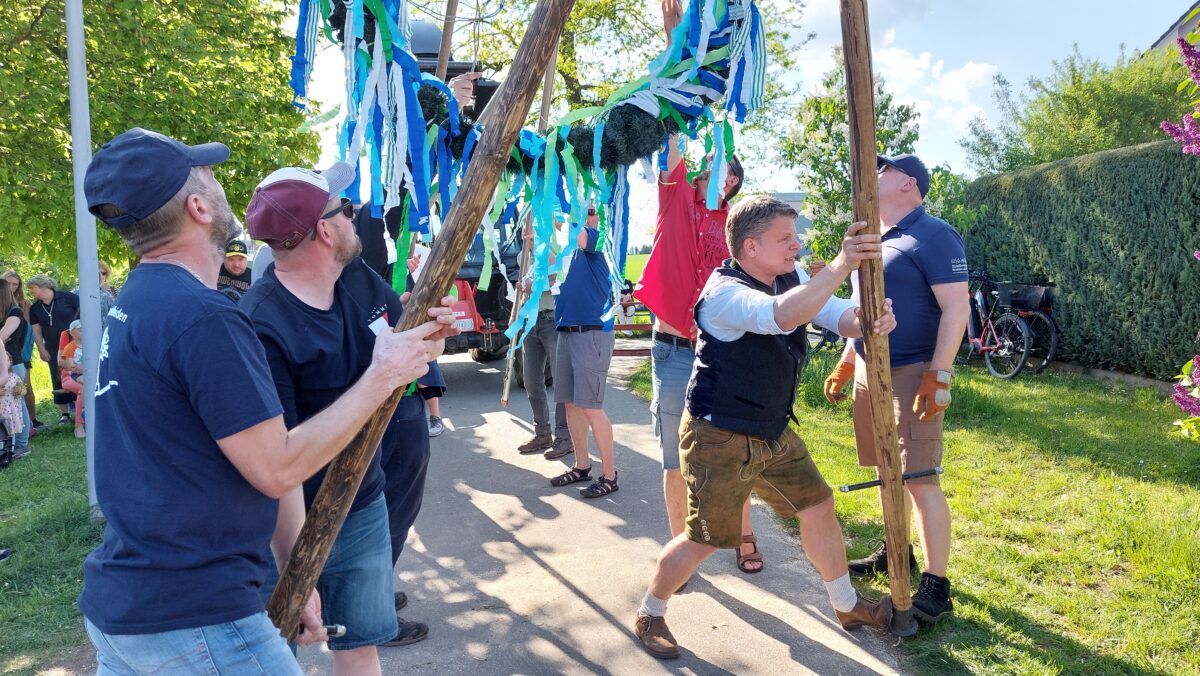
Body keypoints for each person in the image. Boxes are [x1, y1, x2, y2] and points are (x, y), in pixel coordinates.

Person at [79, 127, 452, 674]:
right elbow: (277, 469)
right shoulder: (206, 317)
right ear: (198, 207)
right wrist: (382, 377)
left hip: (133, 605)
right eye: (205, 173)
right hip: (195, 614)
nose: (217, 180)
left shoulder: (140, 300)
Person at [633, 196, 899, 659]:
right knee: (705, 539)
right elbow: (782, 315)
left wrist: (867, 321)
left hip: (771, 429)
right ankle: (650, 612)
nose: (797, 245)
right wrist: (842, 264)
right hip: (718, 436)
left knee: (818, 505)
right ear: (751, 247)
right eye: (785, 238)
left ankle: (847, 606)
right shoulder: (724, 294)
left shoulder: (789, 278)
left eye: (794, 237)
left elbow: (834, 314)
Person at [241, 163, 458, 671]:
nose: (355, 213)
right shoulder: (258, 324)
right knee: (274, 655)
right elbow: (278, 466)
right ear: (323, 230)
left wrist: (431, 334)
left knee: (360, 646)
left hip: (362, 503)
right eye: (345, 209)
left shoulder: (358, 279)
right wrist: (295, 569)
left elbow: (405, 351)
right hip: (282, 524)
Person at [635, 0, 764, 575]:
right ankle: (679, 549)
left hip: (723, 351)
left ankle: (744, 537)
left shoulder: (740, 227)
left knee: (734, 452)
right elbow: (673, 132)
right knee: (674, 458)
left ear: (735, 183)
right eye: (716, 161)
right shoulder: (676, 195)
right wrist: (676, 47)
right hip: (671, 349)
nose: (722, 170)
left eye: (731, 168)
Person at [823, 153, 969, 625]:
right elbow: (862, 310)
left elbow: (957, 309)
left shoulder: (935, 234)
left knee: (920, 477)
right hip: (871, 371)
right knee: (888, 470)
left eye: (883, 169)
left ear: (909, 183)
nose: (874, 173)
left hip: (914, 372)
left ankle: (936, 586)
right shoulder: (875, 238)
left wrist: (939, 374)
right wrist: (848, 362)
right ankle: (895, 552)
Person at [547, 209, 619, 498]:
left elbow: (579, 234)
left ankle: (610, 475)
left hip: (591, 333)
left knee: (590, 406)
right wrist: (540, 234)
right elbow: (551, 261)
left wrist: (569, 217)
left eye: (590, 210)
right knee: (571, 404)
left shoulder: (598, 240)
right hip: (567, 331)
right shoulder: (572, 253)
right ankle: (581, 465)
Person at [516, 221, 573, 459]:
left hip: (551, 320)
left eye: (530, 226)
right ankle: (542, 433)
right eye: (524, 227)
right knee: (531, 380)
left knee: (560, 381)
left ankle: (564, 436)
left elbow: (558, 279)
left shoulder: (555, 249)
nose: (525, 231)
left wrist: (534, 286)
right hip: (530, 321)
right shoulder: (523, 258)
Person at [27, 274, 79, 424]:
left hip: (75, 344)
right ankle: (65, 413)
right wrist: (42, 349)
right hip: (53, 347)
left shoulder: (68, 298)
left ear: (43, 285)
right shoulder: (35, 308)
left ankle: (81, 408)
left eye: (33, 288)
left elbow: (85, 315)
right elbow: (36, 330)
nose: (31, 292)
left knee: (77, 373)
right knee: (58, 377)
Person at [1, 271, 39, 431]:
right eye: (8, 283)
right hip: (4, 359)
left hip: (16, 359)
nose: (11, 287)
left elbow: (5, 336)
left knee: (19, 395)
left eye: (14, 284)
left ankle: (25, 434)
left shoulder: (17, 310)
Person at [0, 281, 30, 458]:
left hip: (13, 364)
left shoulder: (15, 312)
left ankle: (21, 444)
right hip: (2, 362)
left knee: (18, 402)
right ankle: (7, 442)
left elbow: (2, 336)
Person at [58, 320, 86, 438]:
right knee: (84, 388)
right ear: (72, 333)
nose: (84, 331)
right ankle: (79, 424)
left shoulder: (90, 343)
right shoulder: (70, 346)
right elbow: (67, 365)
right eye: (80, 330)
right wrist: (80, 368)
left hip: (86, 374)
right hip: (70, 376)